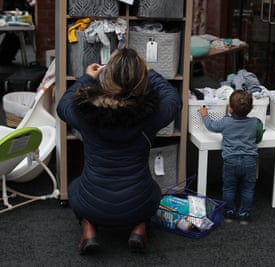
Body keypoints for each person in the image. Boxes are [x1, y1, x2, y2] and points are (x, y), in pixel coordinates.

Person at [56, 48, 181, 254]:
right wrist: (150, 73)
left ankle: (89, 228)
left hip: (92, 203)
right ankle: (139, 228)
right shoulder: (151, 115)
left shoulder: (85, 115)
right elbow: (173, 98)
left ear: (108, 77)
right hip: (138, 203)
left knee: (76, 187)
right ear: (141, 79)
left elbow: (63, 104)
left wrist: (86, 78)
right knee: (155, 191)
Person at [198, 90, 264, 225]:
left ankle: (229, 212)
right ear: (251, 108)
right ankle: (244, 214)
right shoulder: (255, 123)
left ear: (229, 108)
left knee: (229, 188)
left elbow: (211, 126)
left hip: (230, 161)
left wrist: (205, 115)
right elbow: (258, 137)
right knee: (248, 189)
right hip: (250, 161)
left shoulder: (226, 122)